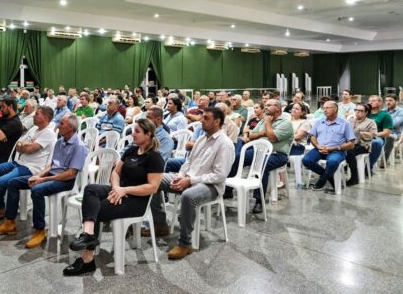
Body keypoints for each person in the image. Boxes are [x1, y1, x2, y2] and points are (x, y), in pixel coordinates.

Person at [63, 118, 164, 276]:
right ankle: (88, 235)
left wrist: (124, 191)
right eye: (133, 131)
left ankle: (87, 260)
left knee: (95, 209)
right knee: (90, 189)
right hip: (119, 190)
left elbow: (153, 187)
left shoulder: (154, 157)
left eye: (137, 132)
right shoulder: (131, 150)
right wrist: (117, 188)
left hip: (136, 200)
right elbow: (116, 172)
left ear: (148, 134)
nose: (133, 134)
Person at [143, 107, 234, 259]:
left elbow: (219, 176)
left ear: (217, 121)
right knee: (155, 179)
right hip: (190, 178)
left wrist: (190, 180)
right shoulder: (202, 138)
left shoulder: (225, 143)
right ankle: (160, 224)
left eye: (206, 118)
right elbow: (188, 162)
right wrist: (180, 176)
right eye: (202, 117)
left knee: (188, 196)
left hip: (210, 186)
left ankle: (185, 244)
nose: (201, 120)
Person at [0, 114, 88, 248]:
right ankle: (10, 222)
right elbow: (52, 165)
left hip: (65, 181)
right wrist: (39, 175)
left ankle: (40, 230)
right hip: (51, 175)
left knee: (37, 190)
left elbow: (70, 174)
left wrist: (43, 179)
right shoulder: (60, 142)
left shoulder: (79, 146)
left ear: (70, 127)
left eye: (62, 124)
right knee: (13, 183)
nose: (58, 126)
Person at [0, 106, 57, 221]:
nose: (33, 116)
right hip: (19, 162)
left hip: (31, 168)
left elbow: (29, 149)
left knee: (1, 182)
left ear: (45, 117)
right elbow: (18, 144)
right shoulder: (34, 129)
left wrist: (25, 146)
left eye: (37, 114)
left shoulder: (48, 133)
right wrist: (25, 146)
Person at [224, 99, 293, 214]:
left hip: (277, 154)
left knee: (262, 164)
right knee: (236, 158)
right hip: (258, 151)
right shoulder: (262, 121)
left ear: (278, 107)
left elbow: (272, 138)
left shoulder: (285, 123)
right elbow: (251, 136)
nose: (266, 107)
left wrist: (267, 124)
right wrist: (263, 133)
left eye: (269, 105)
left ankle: (259, 200)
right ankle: (228, 191)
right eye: (265, 105)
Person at [303, 101, 355, 191]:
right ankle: (329, 177)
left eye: (328, 108)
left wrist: (334, 148)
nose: (325, 110)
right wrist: (318, 146)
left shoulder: (345, 124)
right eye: (324, 108)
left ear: (335, 109)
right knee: (306, 160)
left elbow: (351, 144)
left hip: (337, 150)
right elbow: (312, 136)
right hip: (319, 149)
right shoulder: (320, 121)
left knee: (332, 162)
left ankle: (321, 181)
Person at [345, 104, 377, 186]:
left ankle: (354, 177)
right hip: (350, 143)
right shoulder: (351, 120)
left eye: (361, 111)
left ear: (366, 112)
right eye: (356, 110)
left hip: (363, 145)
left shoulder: (370, 122)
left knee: (350, 151)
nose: (357, 112)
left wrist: (362, 133)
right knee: (339, 149)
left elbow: (373, 134)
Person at [367, 95, 393, 169]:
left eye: (373, 100)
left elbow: (386, 133)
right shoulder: (365, 113)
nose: (370, 102)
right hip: (362, 136)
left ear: (380, 103)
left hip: (377, 136)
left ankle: (368, 166)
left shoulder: (385, 115)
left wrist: (373, 135)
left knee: (377, 143)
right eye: (369, 101)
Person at [384, 94, 403, 161]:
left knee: (389, 137)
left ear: (396, 101)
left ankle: (384, 160)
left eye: (390, 100)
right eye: (386, 100)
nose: (388, 102)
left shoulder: (401, 111)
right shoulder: (383, 111)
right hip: (383, 132)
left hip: (396, 134)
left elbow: (394, 124)